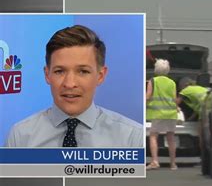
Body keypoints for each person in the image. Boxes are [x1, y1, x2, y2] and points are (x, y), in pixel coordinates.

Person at [6, 25, 143, 147]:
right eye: (60, 71)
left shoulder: (132, 139)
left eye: (83, 71)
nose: (70, 83)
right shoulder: (20, 137)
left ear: (100, 75)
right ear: (47, 75)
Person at [146, 59, 178, 170]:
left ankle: (155, 161)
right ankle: (173, 163)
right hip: (171, 113)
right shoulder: (172, 83)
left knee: (153, 136)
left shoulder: (153, 81)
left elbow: (148, 96)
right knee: (171, 137)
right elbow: (174, 99)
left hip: (158, 113)